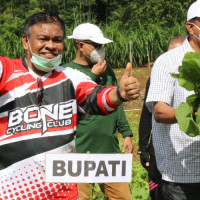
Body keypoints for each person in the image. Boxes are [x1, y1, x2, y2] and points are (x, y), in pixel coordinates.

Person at [0, 12, 140, 200]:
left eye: (57, 40)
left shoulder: (71, 76)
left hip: (63, 193)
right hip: (15, 193)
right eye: (43, 39)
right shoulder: (7, 71)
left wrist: (119, 94)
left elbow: (97, 96)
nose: (50, 45)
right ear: (26, 41)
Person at [64, 23, 133, 200]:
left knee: (122, 197)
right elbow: (69, 105)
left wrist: (126, 132)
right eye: (96, 45)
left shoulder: (107, 69)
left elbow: (116, 100)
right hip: (78, 152)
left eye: (101, 46)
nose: (100, 50)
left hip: (108, 150)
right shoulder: (66, 72)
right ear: (81, 45)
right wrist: (92, 76)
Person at [146, 0, 200, 199]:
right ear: (190, 26)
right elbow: (159, 111)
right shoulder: (168, 61)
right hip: (182, 173)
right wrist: (192, 113)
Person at [138, 35, 186, 200]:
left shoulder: (193, 81)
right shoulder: (158, 77)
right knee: (157, 192)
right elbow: (147, 114)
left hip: (184, 151)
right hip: (158, 150)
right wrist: (143, 148)